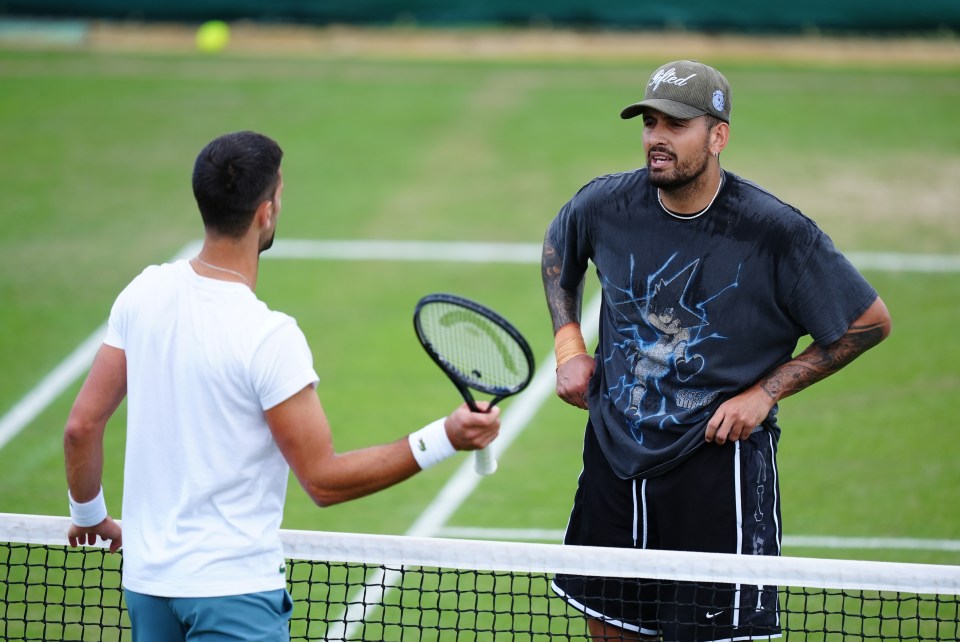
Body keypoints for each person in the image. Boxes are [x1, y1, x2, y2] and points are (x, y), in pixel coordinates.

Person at [63, 130, 501, 641]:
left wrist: (89, 515)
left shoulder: (144, 292)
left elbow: (81, 426)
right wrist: (445, 437)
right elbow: (323, 481)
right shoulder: (269, 337)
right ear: (265, 214)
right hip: (234, 597)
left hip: (147, 588)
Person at [542, 60, 892, 641]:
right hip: (612, 461)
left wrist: (766, 391)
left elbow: (868, 323)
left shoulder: (775, 232)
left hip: (716, 473)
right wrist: (568, 343)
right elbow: (560, 247)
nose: (657, 137)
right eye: (650, 122)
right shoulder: (605, 205)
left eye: (676, 125)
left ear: (718, 135)